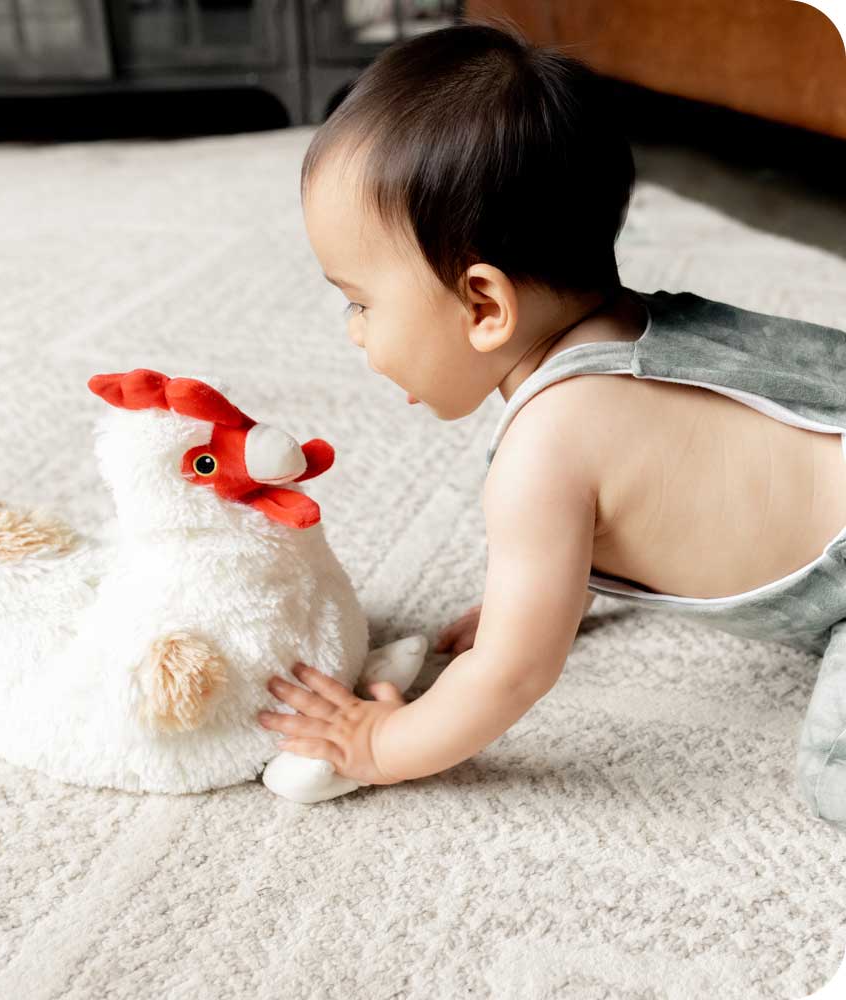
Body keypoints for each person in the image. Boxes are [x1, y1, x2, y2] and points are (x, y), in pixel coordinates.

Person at [256, 18, 846, 827]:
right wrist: (536, 598)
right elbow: (649, 494)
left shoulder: (541, 456)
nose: (354, 331)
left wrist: (379, 743)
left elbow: (512, 674)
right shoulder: (634, 328)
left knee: (832, 775)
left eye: (360, 302)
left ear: (485, 305)